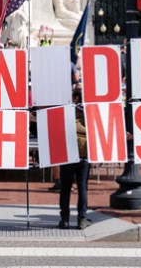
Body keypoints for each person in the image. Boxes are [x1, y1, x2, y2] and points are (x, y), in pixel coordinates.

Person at [59, 89, 91, 229]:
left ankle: (65, 219)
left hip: (68, 154)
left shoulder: (67, 111)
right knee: (82, 187)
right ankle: (81, 219)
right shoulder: (90, 112)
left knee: (65, 187)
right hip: (85, 154)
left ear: (76, 98)